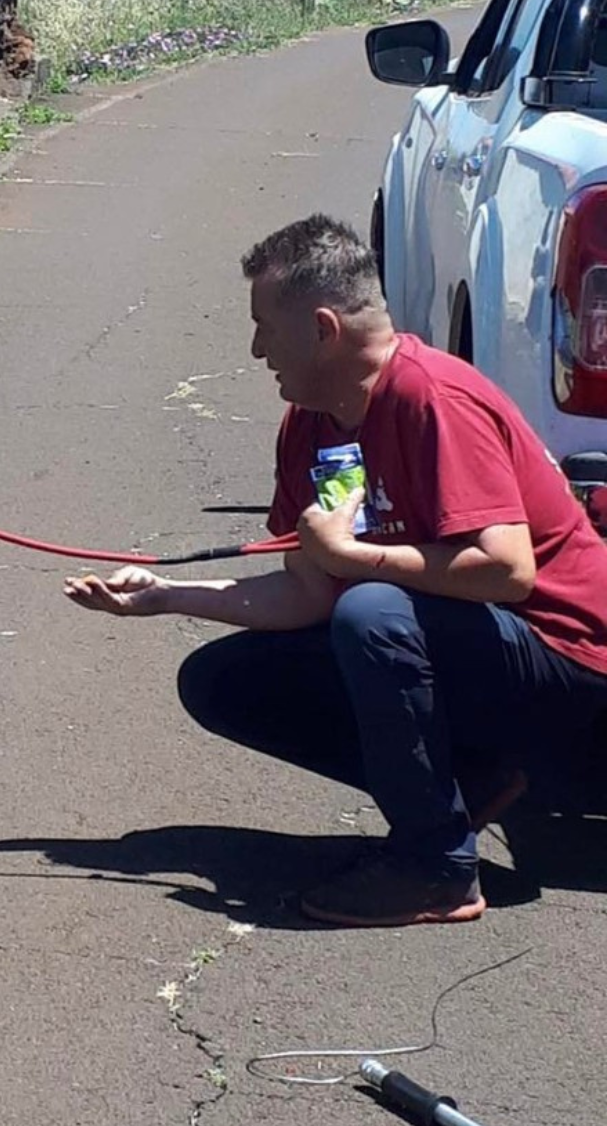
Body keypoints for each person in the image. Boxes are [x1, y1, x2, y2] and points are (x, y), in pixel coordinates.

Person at [63, 214, 607, 927]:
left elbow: (507, 572)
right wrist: (166, 597)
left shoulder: (430, 398)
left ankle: (435, 868)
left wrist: (354, 557)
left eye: (266, 327)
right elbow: (306, 592)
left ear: (324, 329)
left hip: (575, 674)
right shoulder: (312, 420)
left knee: (373, 610)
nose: (257, 349)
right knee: (222, 680)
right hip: (488, 659)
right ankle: (463, 785)